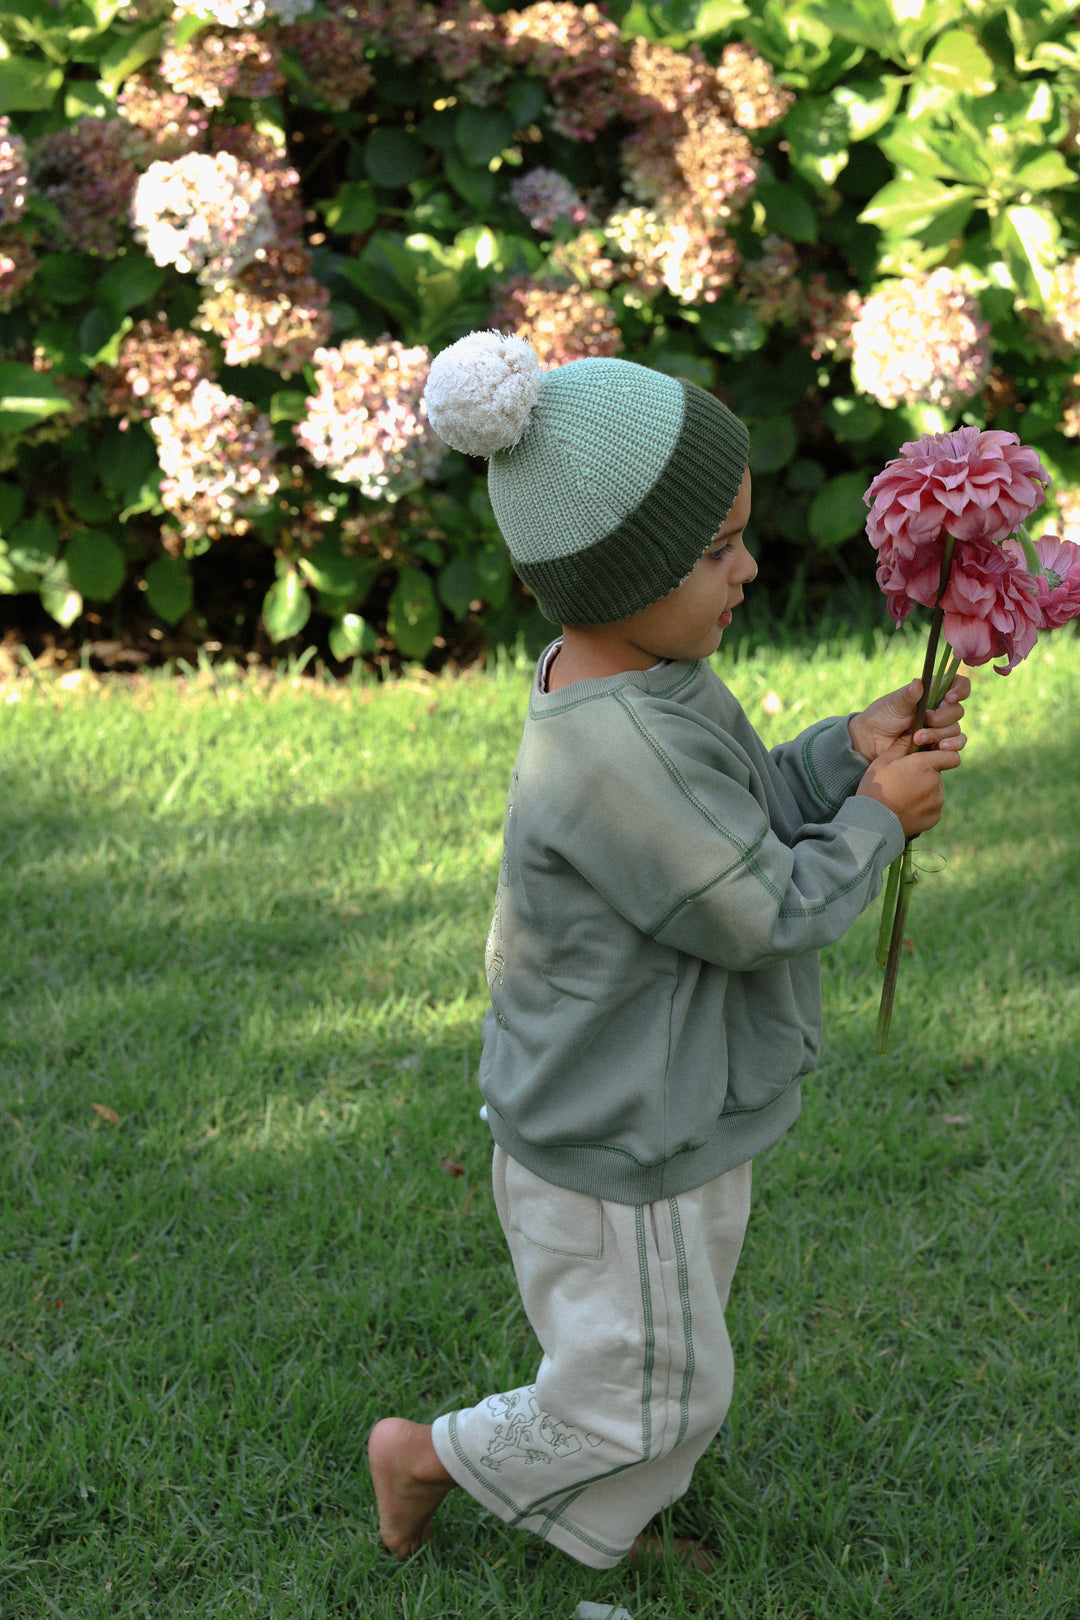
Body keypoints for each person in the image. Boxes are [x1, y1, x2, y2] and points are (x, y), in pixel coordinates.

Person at [368, 332, 969, 1569]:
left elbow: (734, 812)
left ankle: (595, 1521)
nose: (747, 568)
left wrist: (843, 753)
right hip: (611, 1137)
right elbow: (759, 909)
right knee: (647, 1390)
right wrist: (875, 823)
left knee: (661, 1368)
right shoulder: (612, 749)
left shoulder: (647, 676)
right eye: (713, 551)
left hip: (660, 1104)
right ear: (619, 573)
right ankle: (426, 1457)